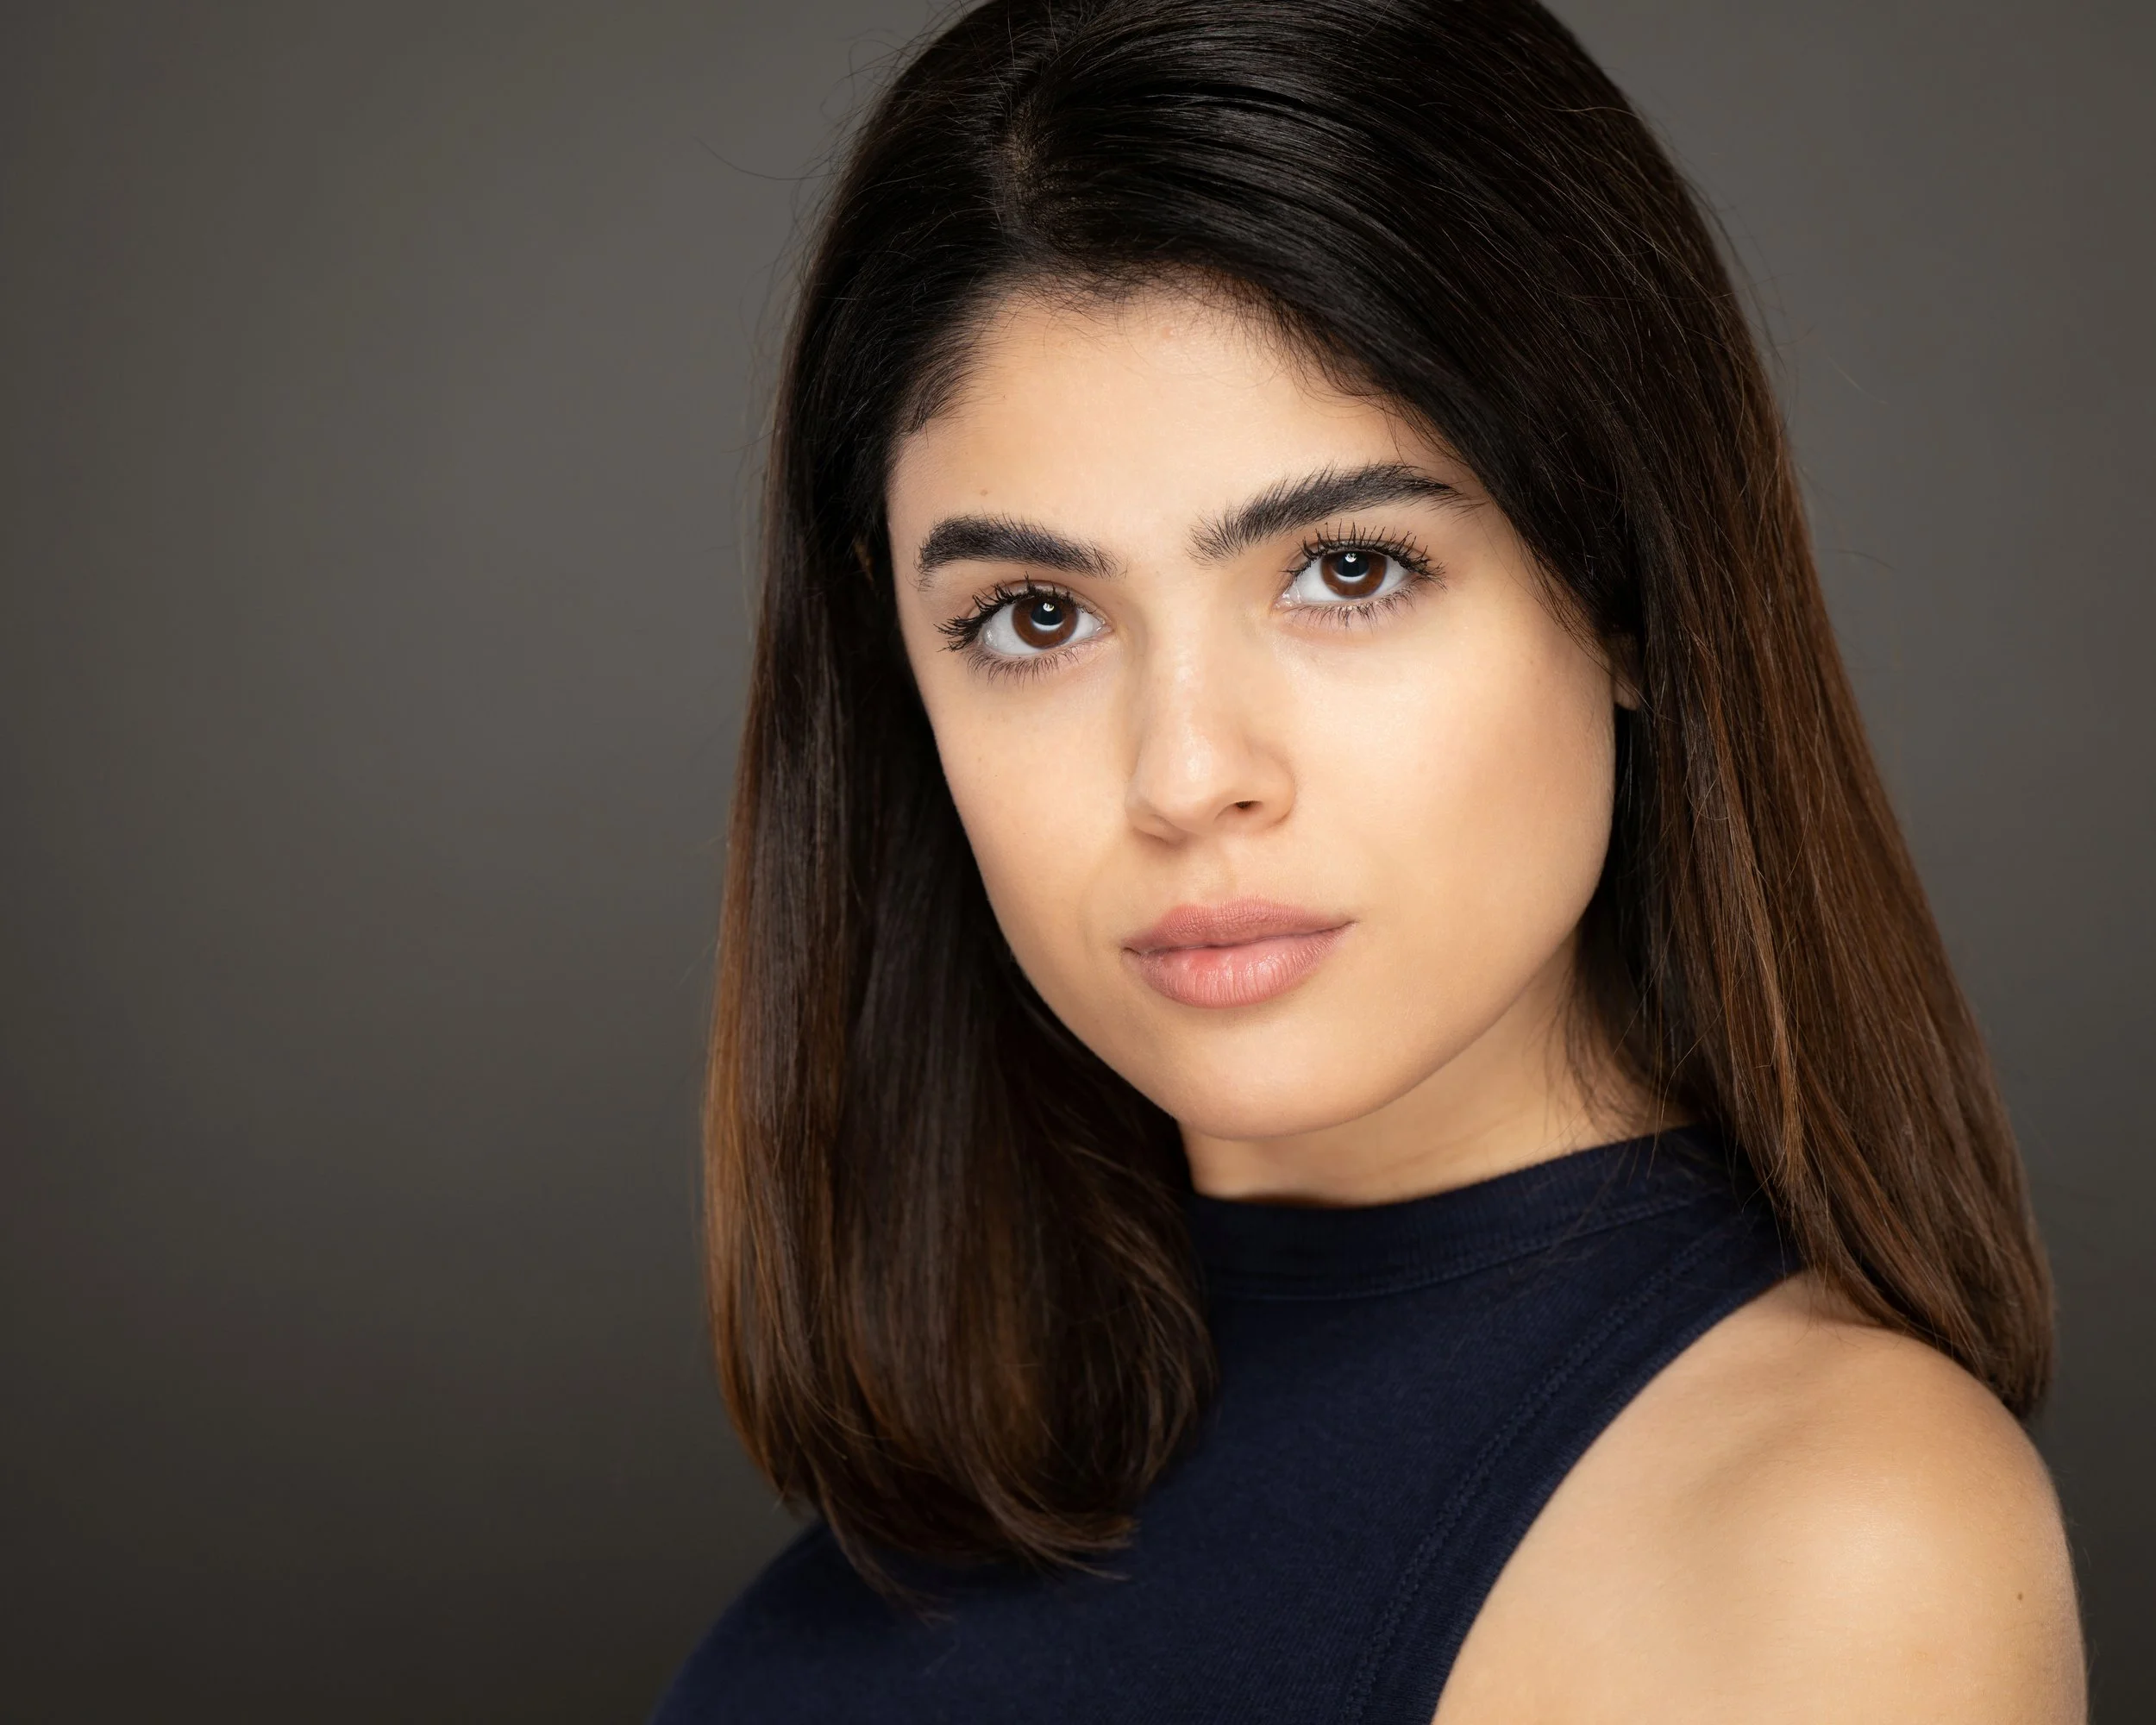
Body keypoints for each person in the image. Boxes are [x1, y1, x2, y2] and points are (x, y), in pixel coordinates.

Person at [653, 1, 2084, 1718]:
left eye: (1347, 569)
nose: (1187, 776)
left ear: (1627, 588)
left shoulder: (1824, 1540)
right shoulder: (963, 1489)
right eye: (1035, 616)